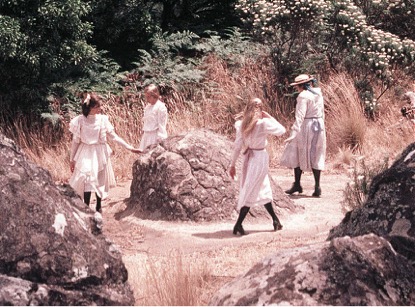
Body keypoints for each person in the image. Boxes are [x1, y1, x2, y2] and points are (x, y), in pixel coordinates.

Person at [69, 92, 140, 212]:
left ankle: (98, 205)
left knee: (99, 178)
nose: (99, 109)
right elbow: (75, 142)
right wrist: (72, 159)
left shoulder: (102, 120)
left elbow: (114, 137)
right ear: (89, 107)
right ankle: (86, 206)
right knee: (86, 178)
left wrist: (129, 147)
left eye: (99, 106)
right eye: (96, 107)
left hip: (100, 151)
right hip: (86, 152)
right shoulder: (80, 120)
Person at [229, 98, 286, 236]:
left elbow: (237, 147)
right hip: (259, 158)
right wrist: (270, 117)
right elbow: (282, 130)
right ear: (260, 109)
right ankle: (238, 224)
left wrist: (232, 164)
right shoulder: (263, 124)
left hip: (249, 158)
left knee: (262, 187)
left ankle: (275, 220)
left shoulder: (242, 124)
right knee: (252, 189)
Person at [280, 74, 326, 197]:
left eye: (297, 86)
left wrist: (294, 132)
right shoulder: (318, 94)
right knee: (317, 153)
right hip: (319, 125)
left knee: (297, 151)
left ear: (300, 86)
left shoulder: (303, 96)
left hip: (307, 126)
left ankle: (298, 183)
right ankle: (316, 186)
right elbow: (322, 112)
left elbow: (300, 115)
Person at [138, 84, 168, 152]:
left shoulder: (160, 107)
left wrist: (161, 140)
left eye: (148, 97)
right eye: (146, 97)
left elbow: (162, 125)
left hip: (154, 136)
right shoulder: (148, 107)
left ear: (154, 96)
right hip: (146, 136)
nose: (147, 99)